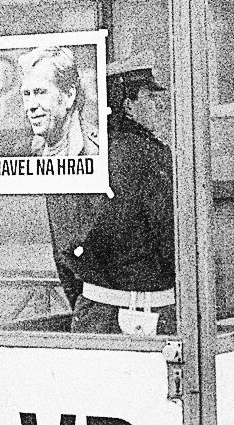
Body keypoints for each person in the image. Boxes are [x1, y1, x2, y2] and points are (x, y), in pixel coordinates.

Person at [47, 56, 175, 336]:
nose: (160, 105)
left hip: (94, 311)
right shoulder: (150, 155)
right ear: (128, 105)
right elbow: (172, 240)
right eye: (150, 97)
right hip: (153, 309)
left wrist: (91, 296)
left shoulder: (76, 154)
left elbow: (63, 249)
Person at [19, 46, 100, 161]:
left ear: (69, 95)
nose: (31, 106)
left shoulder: (96, 150)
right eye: (26, 94)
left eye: (41, 92)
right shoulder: (29, 150)